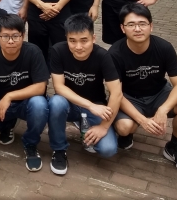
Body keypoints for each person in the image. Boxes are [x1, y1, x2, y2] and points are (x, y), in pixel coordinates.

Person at [110, 3, 177, 175]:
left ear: (151, 26)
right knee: (124, 127)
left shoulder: (164, 47)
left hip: (159, 94)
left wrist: (163, 109)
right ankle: (127, 135)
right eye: (131, 24)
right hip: (130, 97)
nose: (137, 29)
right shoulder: (114, 53)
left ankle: (174, 147)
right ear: (122, 28)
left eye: (142, 24)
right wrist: (143, 121)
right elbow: (116, 94)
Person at [0, 15, 49, 172]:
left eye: (15, 36)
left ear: (23, 36)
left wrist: (10, 96)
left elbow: (41, 87)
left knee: (40, 105)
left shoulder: (33, 52)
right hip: (0, 101)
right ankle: (7, 124)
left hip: (27, 101)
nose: (11, 41)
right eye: (5, 36)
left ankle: (31, 144)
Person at [47, 13, 122, 176]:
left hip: (96, 106)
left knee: (108, 149)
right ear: (66, 39)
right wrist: (89, 105)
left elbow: (116, 93)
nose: (78, 46)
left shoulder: (103, 56)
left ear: (93, 38)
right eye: (72, 41)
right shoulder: (58, 51)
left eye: (84, 40)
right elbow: (59, 87)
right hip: (70, 104)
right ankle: (59, 150)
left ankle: (84, 123)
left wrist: (104, 126)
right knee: (56, 103)